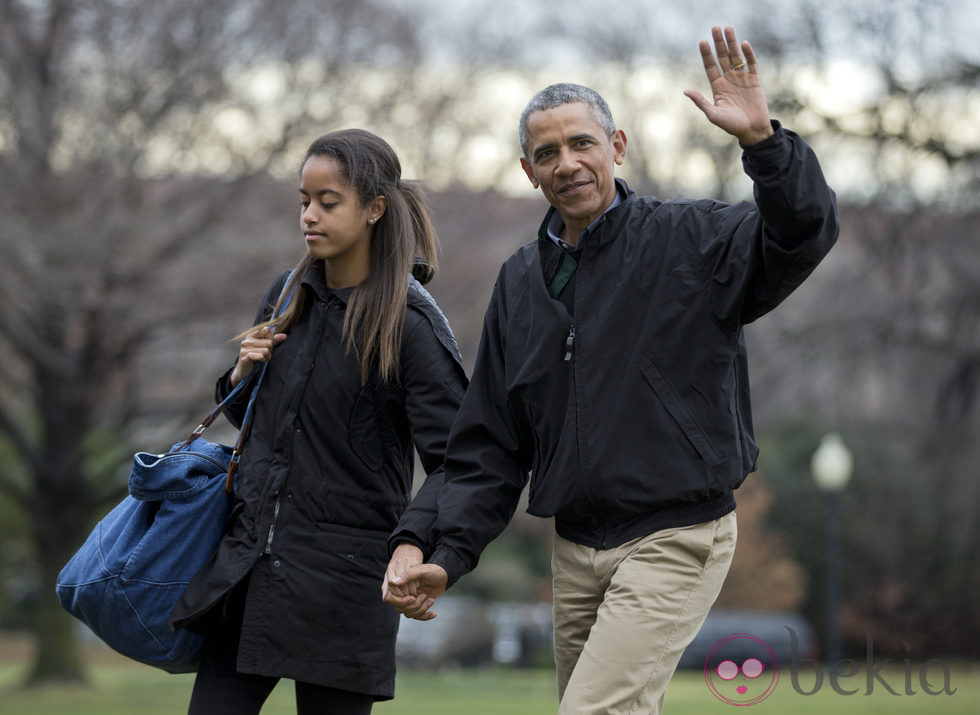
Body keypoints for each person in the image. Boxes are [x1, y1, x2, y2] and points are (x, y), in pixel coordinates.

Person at [383, 25, 839, 714]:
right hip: (577, 548)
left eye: (581, 142)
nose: (566, 162)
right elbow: (487, 449)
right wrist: (443, 549)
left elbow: (803, 231)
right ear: (527, 170)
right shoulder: (518, 285)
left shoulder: (692, 241)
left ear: (616, 147)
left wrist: (763, 144)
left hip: (675, 534)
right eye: (547, 152)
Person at [168, 129, 467, 715]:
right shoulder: (286, 295)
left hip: (344, 592)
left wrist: (419, 548)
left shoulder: (410, 327)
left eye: (328, 203)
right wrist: (239, 377)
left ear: (375, 208)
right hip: (249, 573)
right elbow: (251, 419)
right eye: (304, 201)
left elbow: (459, 462)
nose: (309, 215)